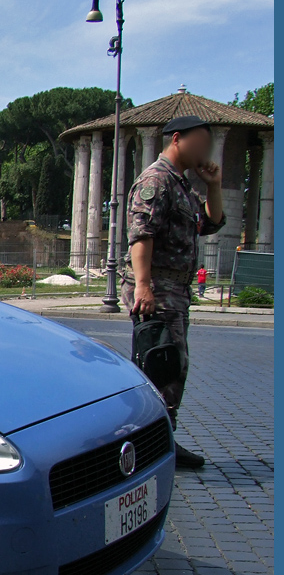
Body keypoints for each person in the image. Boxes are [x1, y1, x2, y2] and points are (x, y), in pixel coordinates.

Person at [121, 115, 226, 469]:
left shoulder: (182, 184)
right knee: (165, 366)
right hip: (159, 288)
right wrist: (145, 286)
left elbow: (209, 223)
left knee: (169, 367)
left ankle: (161, 439)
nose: (206, 151)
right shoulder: (157, 180)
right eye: (201, 142)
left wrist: (214, 185)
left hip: (175, 289)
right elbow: (141, 236)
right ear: (177, 139)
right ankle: (155, 443)